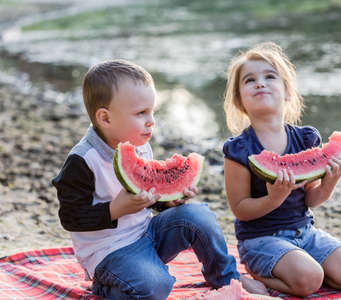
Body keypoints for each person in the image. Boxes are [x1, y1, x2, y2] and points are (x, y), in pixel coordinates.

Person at [52, 59, 267, 299]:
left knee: (198, 216)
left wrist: (168, 201)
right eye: (141, 113)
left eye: (152, 111)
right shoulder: (83, 160)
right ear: (105, 118)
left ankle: (227, 279)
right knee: (156, 286)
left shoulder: (139, 145)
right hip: (108, 251)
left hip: (148, 234)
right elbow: (70, 218)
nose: (151, 120)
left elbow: (149, 195)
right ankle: (104, 285)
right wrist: (115, 209)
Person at [222, 42, 341, 297]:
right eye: (249, 80)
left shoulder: (305, 139)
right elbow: (240, 210)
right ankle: (257, 279)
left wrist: (329, 183)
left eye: (270, 77)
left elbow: (311, 199)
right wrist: (273, 199)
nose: (260, 83)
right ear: (239, 101)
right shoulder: (238, 149)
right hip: (260, 240)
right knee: (309, 279)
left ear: (287, 91)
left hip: (306, 233)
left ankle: (302, 270)